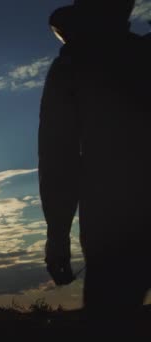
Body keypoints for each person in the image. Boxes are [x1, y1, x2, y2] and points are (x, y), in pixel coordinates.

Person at [39, 0, 150, 323]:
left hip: (110, 225)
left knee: (110, 322)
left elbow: (58, 157)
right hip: (112, 224)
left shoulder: (71, 67)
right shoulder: (142, 55)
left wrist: (57, 235)